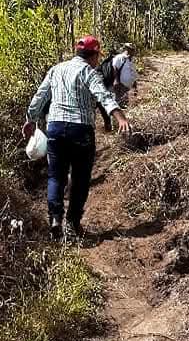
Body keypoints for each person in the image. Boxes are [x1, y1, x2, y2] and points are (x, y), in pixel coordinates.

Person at [22, 35, 130, 241]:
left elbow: (40, 96)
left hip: (55, 128)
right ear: (94, 55)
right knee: (80, 179)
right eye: (98, 55)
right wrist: (119, 117)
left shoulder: (56, 69)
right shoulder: (87, 71)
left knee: (56, 176)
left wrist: (30, 120)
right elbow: (103, 95)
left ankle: (55, 219)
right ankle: (72, 224)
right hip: (81, 130)